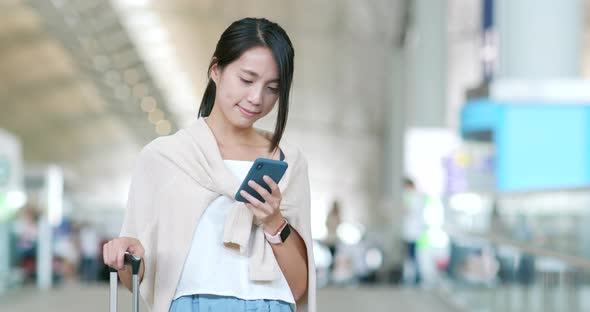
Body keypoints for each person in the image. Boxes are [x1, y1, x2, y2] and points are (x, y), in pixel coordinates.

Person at [103, 18, 315, 312]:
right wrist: (125, 254)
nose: (256, 98)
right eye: (247, 79)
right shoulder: (165, 157)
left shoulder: (288, 162)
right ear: (216, 69)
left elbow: (299, 288)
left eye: (272, 88)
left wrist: (273, 221)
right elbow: (133, 280)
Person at [401, 177, 425, 286]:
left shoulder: (415, 197)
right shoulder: (412, 197)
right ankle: (414, 277)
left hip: (412, 232)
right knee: (410, 256)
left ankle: (416, 277)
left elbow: (410, 212)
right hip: (410, 231)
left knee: (412, 256)